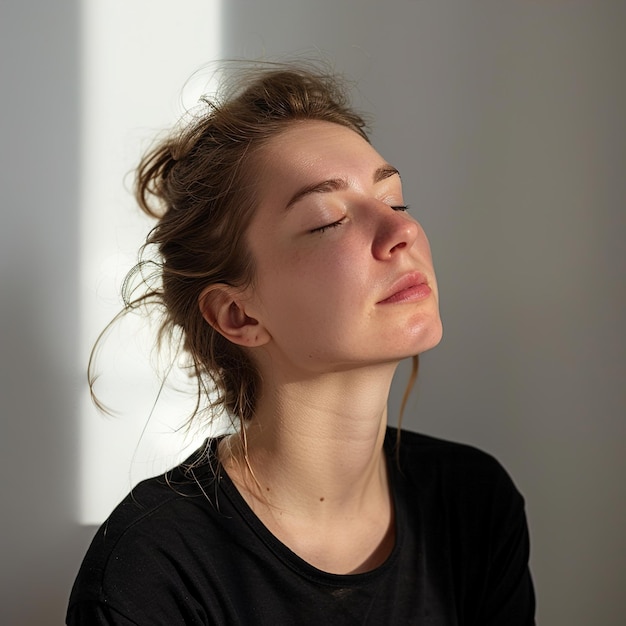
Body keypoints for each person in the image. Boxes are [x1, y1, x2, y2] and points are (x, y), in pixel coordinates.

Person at [67, 62, 535, 625]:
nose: (401, 232)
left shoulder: (473, 503)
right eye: (327, 221)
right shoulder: (153, 571)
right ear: (238, 314)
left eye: (396, 202)